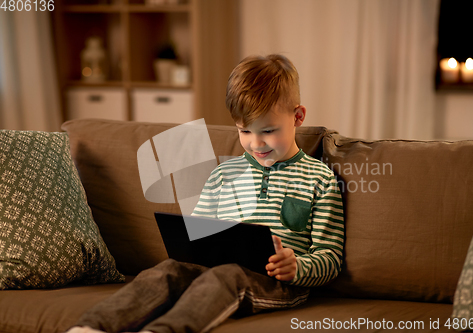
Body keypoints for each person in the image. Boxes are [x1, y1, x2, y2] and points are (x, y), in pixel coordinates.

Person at [66, 54, 344, 333]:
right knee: (167, 271)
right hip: (214, 272)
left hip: (279, 284)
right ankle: (91, 327)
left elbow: (330, 257)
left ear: (297, 117)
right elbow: (198, 239)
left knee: (227, 275)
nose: (255, 143)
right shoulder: (223, 175)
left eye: (268, 131)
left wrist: (297, 267)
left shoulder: (318, 178)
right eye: (244, 130)